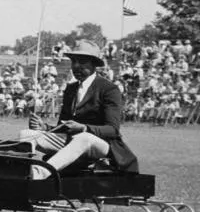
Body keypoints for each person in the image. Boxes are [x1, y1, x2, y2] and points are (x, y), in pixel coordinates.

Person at [19, 40, 139, 179]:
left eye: (82, 62)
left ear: (94, 64)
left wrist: (84, 128)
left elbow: (112, 130)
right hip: (72, 142)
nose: (76, 66)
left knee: (83, 138)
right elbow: (64, 127)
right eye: (73, 61)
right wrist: (44, 126)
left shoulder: (109, 89)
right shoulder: (71, 89)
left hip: (102, 147)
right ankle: (21, 172)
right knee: (26, 134)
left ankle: (38, 174)